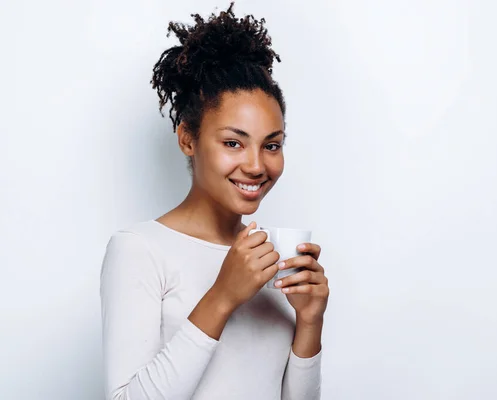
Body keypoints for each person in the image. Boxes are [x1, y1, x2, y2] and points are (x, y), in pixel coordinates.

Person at [99, 3, 329, 399]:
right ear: (188, 138)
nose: (257, 165)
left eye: (271, 145)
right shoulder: (138, 250)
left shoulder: (271, 260)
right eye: (233, 143)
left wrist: (310, 322)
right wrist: (222, 296)